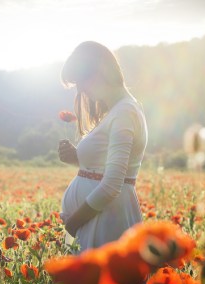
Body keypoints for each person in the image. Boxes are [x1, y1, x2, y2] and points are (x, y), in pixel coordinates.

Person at [58, 41, 148, 252]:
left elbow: (112, 185)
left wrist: (73, 224)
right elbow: (106, 167)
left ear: (98, 73)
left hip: (105, 221)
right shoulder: (118, 111)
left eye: (80, 81)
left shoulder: (125, 112)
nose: (80, 90)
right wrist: (78, 159)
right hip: (98, 218)